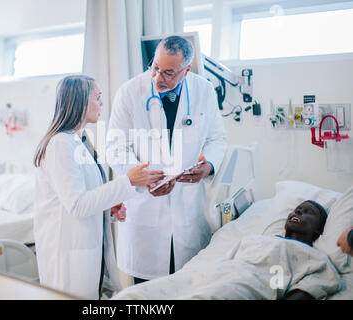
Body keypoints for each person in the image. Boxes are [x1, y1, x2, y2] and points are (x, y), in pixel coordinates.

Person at [106, 35, 227, 283]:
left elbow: (217, 138)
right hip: (145, 212)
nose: (158, 78)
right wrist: (139, 176)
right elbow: (115, 146)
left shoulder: (203, 90)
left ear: (186, 71)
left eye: (168, 73)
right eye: (155, 68)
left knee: (188, 285)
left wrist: (209, 166)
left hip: (188, 210)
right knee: (148, 292)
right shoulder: (130, 92)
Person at [33, 75, 165, 299]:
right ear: (81, 101)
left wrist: (109, 207)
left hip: (87, 250)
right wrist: (128, 181)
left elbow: (86, 196)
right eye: (98, 98)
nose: (102, 104)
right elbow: (77, 205)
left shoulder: (79, 140)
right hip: (67, 257)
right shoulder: (60, 145)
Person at [113, 200, 341, 300]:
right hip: (206, 277)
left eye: (307, 212)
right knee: (133, 295)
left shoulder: (316, 260)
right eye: (297, 208)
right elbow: (222, 265)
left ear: (319, 229)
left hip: (248, 286)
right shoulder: (254, 239)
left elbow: (304, 294)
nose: (298, 212)